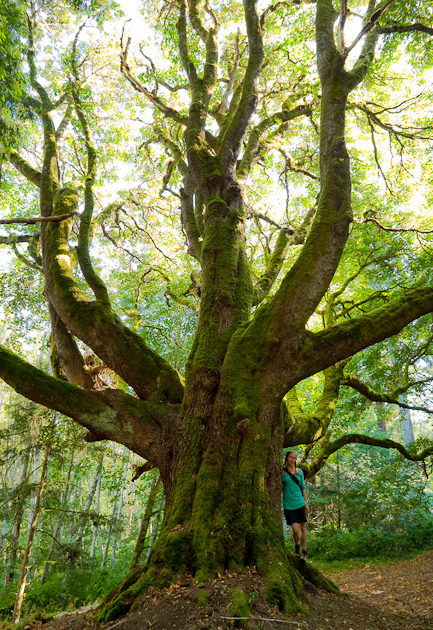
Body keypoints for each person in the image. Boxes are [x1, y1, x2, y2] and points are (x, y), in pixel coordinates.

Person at [282, 451, 309, 561]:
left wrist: (306, 503)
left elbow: (303, 487)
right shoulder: (282, 472)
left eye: (294, 458)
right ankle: (296, 545)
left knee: (303, 527)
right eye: (290, 457)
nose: (292, 460)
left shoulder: (300, 472)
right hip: (288, 505)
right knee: (295, 529)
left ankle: (304, 551)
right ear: (286, 458)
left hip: (300, 503)